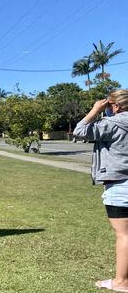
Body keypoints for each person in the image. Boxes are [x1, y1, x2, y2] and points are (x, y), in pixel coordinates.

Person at [73, 90, 128, 291]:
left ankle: (121, 282)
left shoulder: (111, 124)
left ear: (115, 106)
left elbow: (80, 131)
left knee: (124, 235)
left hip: (120, 184)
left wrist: (96, 109)